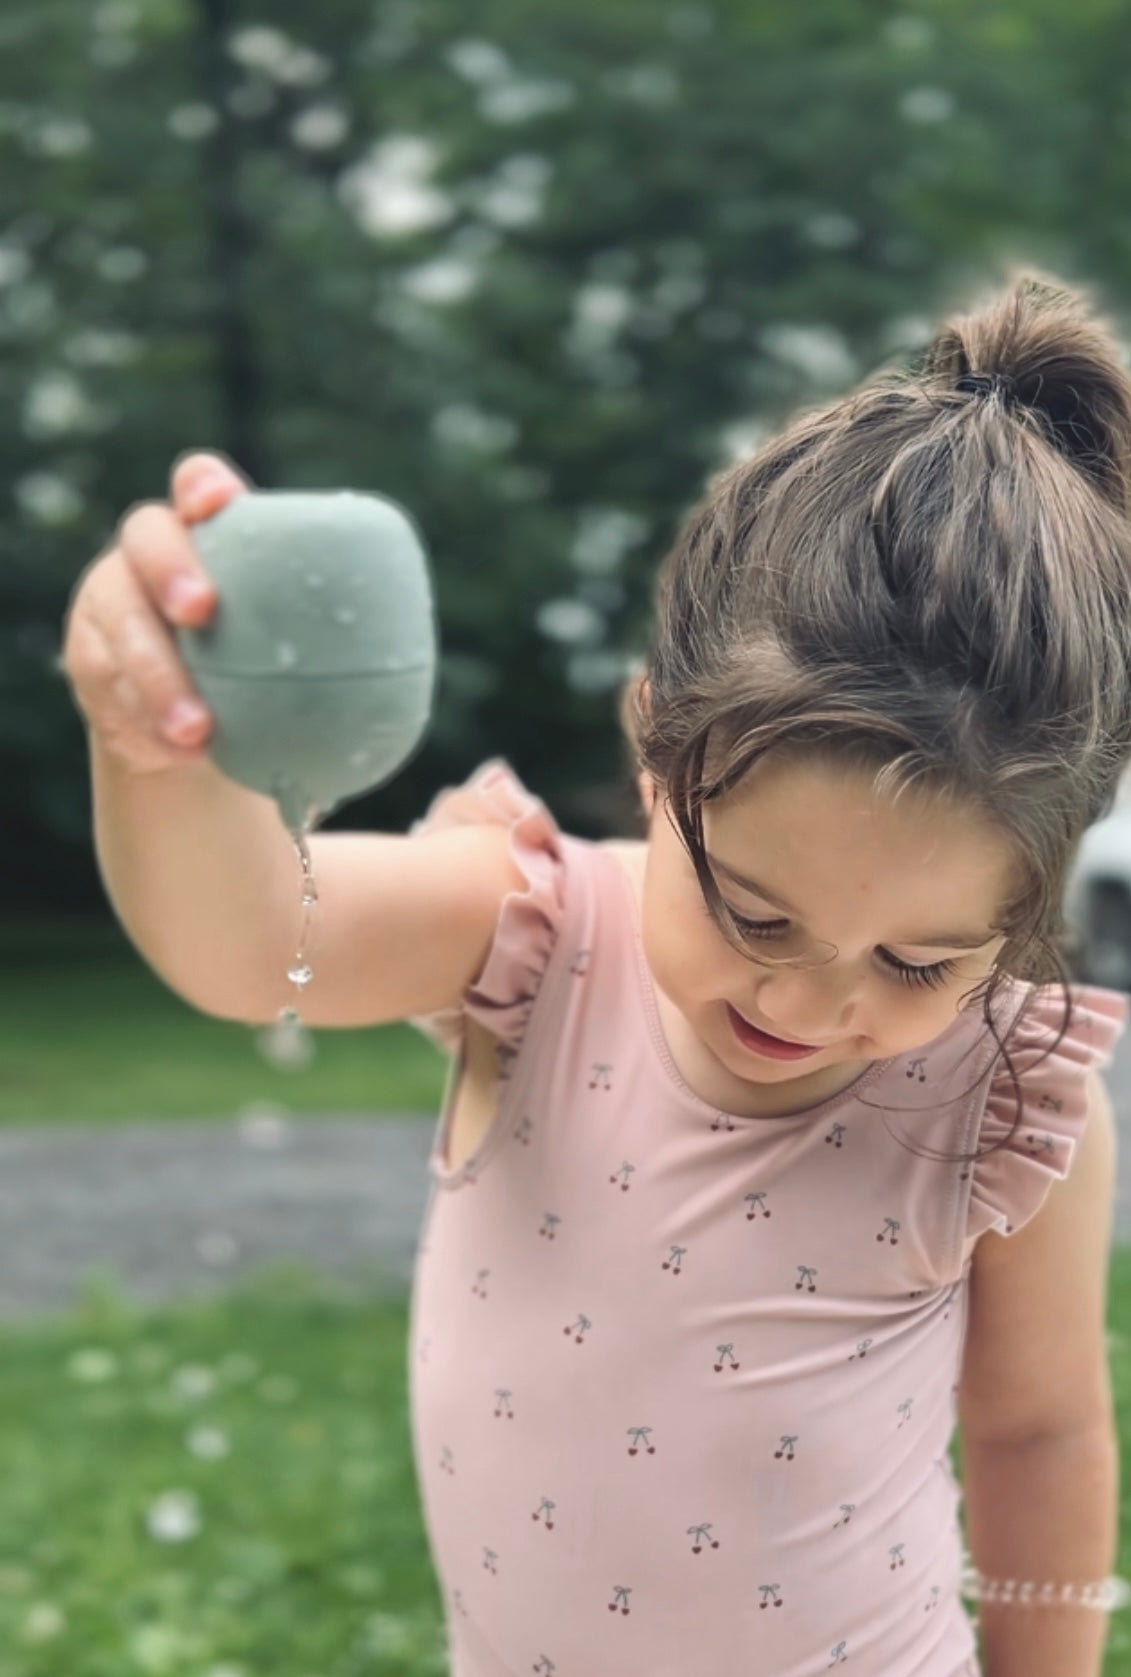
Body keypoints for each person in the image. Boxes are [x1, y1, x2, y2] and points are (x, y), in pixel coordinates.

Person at [62, 269, 1131, 1677]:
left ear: (1029, 900)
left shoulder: (1002, 1102)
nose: (811, 1005)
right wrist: (154, 747)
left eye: (919, 960)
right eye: (755, 917)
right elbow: (253, 938)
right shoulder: (534, 939)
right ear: (656, 750)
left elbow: (1038, 1430)